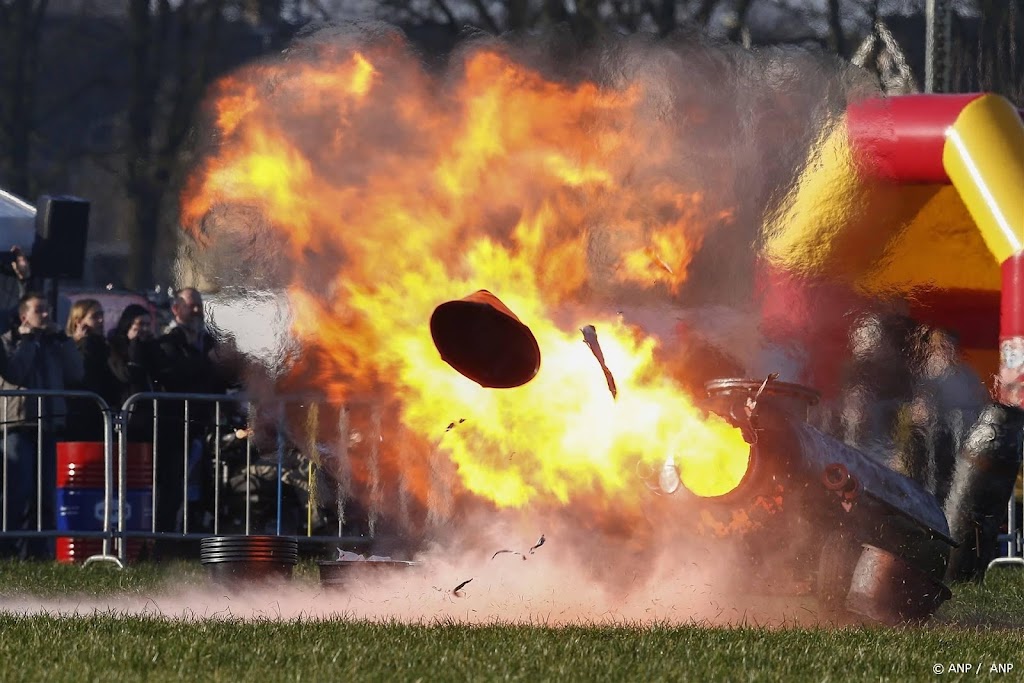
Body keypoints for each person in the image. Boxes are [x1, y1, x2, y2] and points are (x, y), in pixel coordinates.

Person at [0, 291, 84, 559]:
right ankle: (7, 551)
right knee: (17, 493)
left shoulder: (53, 344)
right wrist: (26, 340)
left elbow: (76, 373)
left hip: (49, 427)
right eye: (40, 310)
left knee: (46, 496)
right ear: (24, 315)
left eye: (48, 310)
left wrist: (65, 341)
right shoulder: (8, 342)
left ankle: (40, 554)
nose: (46, 315)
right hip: (18, 427)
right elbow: (15, 372)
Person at [63, 299, 119, 442]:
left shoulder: (104, 344)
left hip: (100, 409)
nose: (101, 320)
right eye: (94, 316)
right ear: (79, 321)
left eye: (101, 315)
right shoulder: (85, 346)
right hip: (87, 411)